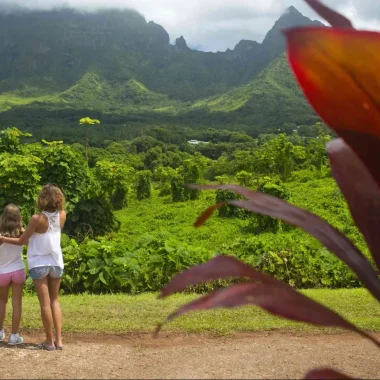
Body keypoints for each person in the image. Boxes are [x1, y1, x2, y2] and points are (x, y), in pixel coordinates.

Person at [0, 184, 66, 351]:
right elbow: (47, 233)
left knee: (44, 304)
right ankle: (59, 341)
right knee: (54, 301)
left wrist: (2, 237)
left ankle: (49, 342)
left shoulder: (37, 218)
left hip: (39, 263)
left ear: (42, 198)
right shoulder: (62, 215)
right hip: (56, 262)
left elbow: (23, 240)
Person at [0, 204, 26, 345]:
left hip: (2, 272)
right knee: (17, 304)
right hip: (18, 270)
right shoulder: (21, 232)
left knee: (1, 302)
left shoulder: (0, 233)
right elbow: (28, 243)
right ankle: (14, 336)